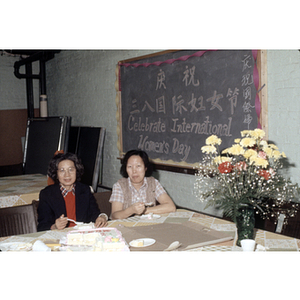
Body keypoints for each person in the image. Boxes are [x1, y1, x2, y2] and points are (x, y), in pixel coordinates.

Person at [37, 152, 108, 231]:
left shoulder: (85, 190)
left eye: (71, 170)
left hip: (82, 236)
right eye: (62, 170)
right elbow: (42, 226)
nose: (67, 175)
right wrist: (55, 226)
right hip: (59, 237)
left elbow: (95, 214)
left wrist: (102, 217)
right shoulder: (47, 194)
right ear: (56, 173)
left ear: (76, 171)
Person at [109, 149, 176, 219]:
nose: (134, 171)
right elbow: (115, 216)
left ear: (145, 168)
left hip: (148, 226)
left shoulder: (153, 183)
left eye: (138, 166)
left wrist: (144, 210)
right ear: (125, 169)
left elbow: (171, 207)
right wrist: (131, 210)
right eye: (130, 167)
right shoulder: (119, 185)